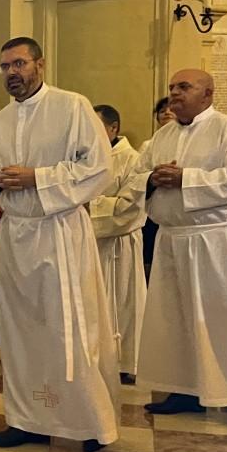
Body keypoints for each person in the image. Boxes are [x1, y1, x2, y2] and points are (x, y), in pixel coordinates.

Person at [0, 37, 118, 452]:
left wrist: (37, 177)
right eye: (5, 67)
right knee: (21, 332)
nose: (12, 73)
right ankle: (28, 419)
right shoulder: (3, 119)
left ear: (40, 64)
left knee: (68, 328)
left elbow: (99, 167)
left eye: (19, 63)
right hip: (16, 236)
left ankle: (90, 422)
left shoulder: (72, 106)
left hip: (59, 232)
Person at [134, 69, 227, 415]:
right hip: (172, 239)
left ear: (208, 94)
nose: (175, 93)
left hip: (215, 240)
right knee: (176, 320)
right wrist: (152, 178)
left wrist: (186, 179)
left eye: (184, 87)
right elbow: (135, 175)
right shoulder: (162, 135)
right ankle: (185, 389)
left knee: (226, 316)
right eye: (172, 87)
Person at [89, 105, 147, 385]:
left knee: (124, 302)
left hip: (121, 243)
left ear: (114, 129)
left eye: (98, 126)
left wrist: (89, 207)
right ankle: (97, 358)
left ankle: (125, 362)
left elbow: (131, 206)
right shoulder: (86, 158)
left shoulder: (132, 159)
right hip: (91, 242)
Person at [141, 96, 176, 278]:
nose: (167, 113)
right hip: (156, 208)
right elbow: (138, 175)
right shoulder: (150, 144)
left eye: (170, 109)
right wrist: (152, 178)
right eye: (162, 111)